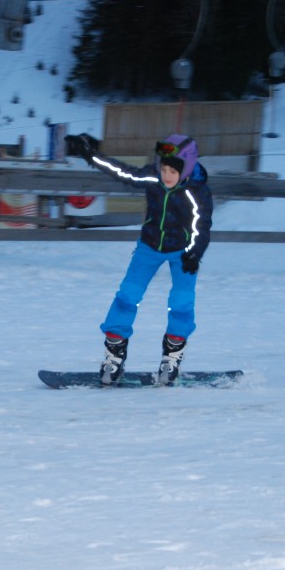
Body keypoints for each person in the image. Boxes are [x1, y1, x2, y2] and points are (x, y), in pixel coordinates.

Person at [65, 132, 214, 386]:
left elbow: (201, 225)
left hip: (183, 252)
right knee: (127, 296)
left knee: (181, 302)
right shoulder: (153, 177)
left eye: (172, 171)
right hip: (149, 246)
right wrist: (92, 156)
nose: (166, 176)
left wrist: (194, 253)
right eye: (163, 168)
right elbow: (123, 172)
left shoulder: (195, 192)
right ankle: (114, 357)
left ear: (186, 170)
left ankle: (171, 359)